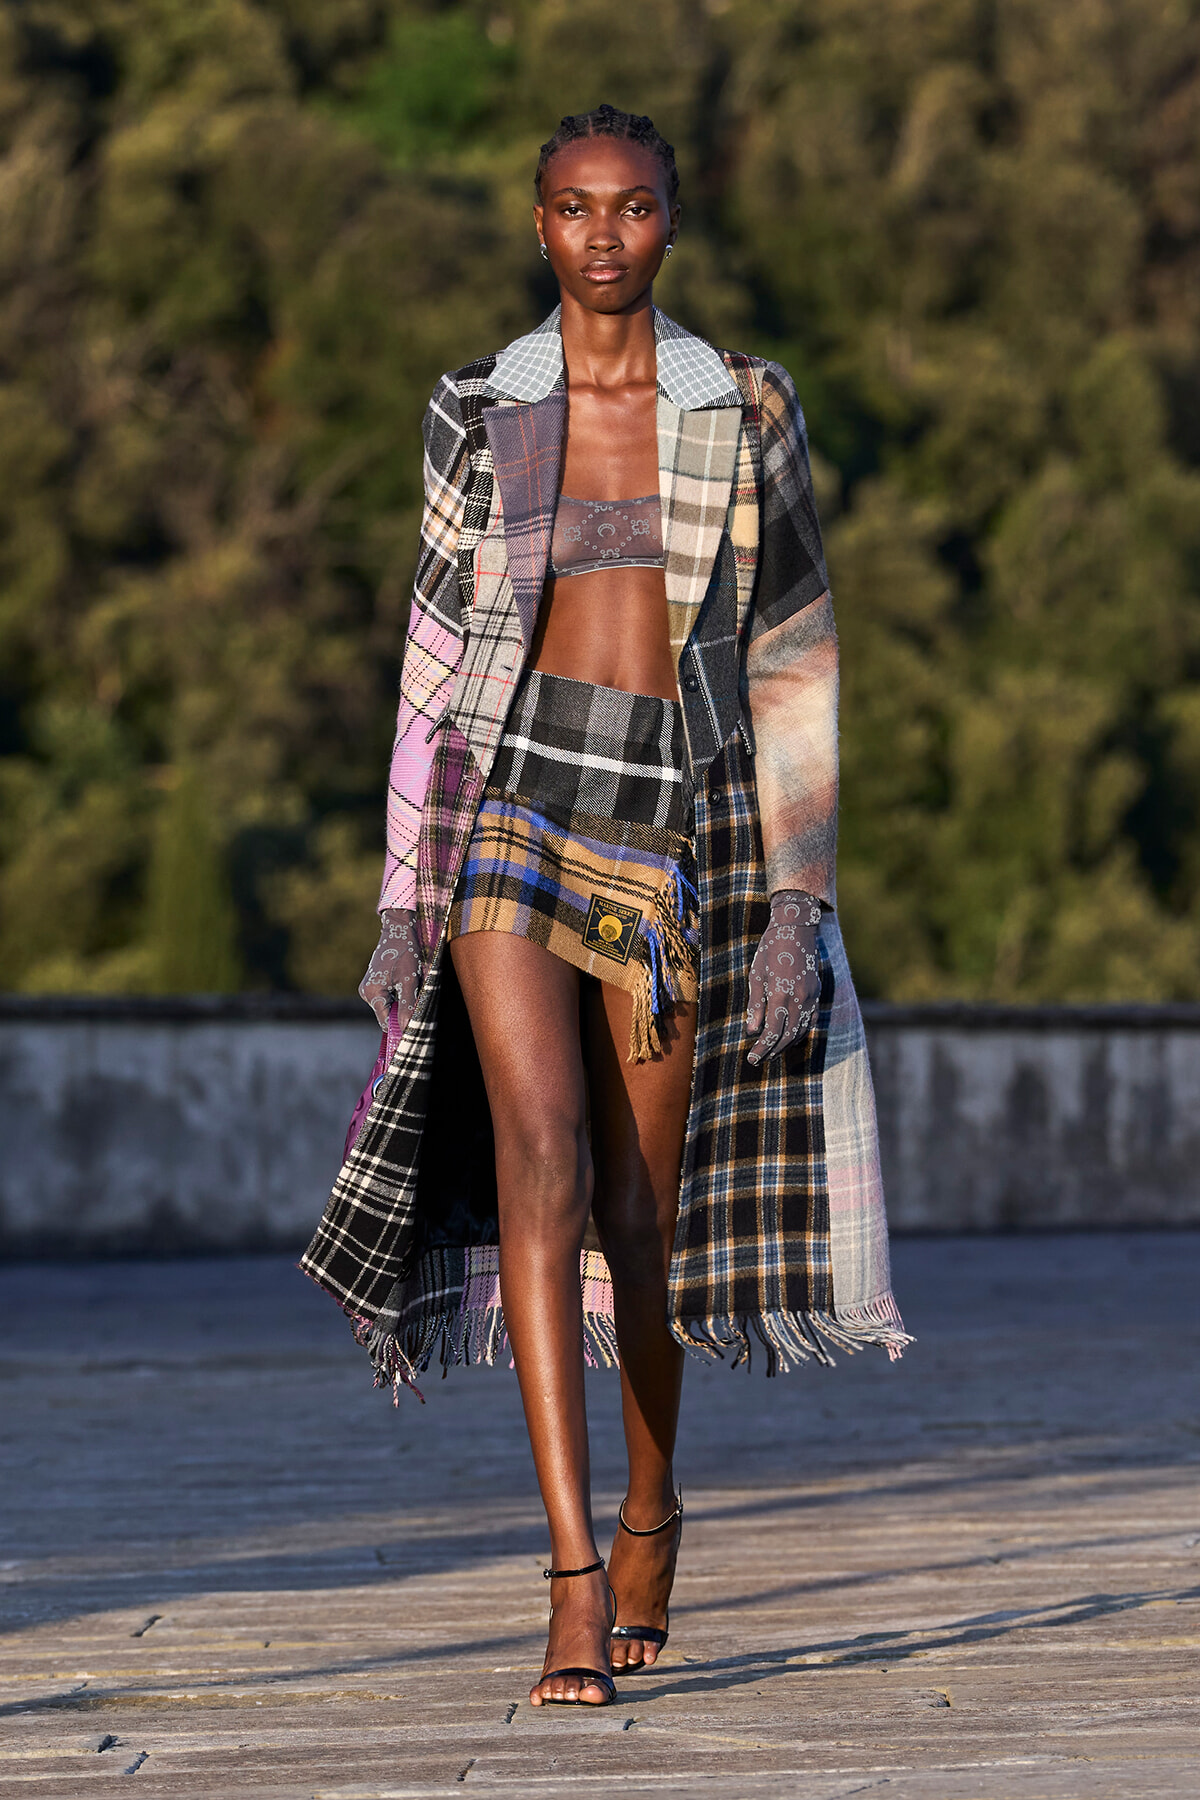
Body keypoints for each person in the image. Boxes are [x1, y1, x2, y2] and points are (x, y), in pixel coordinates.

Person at [302, 103, 909, 1712]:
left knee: (640, 1216)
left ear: (672, 221)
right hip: (514, 809)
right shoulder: (479, 409)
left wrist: (795, 903)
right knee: (543, 1164)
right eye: (574, 210)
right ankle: (571, 1577)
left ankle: (651, 1512)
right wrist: (396, 894)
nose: (603, 237)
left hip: (674, 827)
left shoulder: (747, 409)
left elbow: (792, 658)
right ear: (538, 222)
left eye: (632, 209)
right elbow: (435, 665)